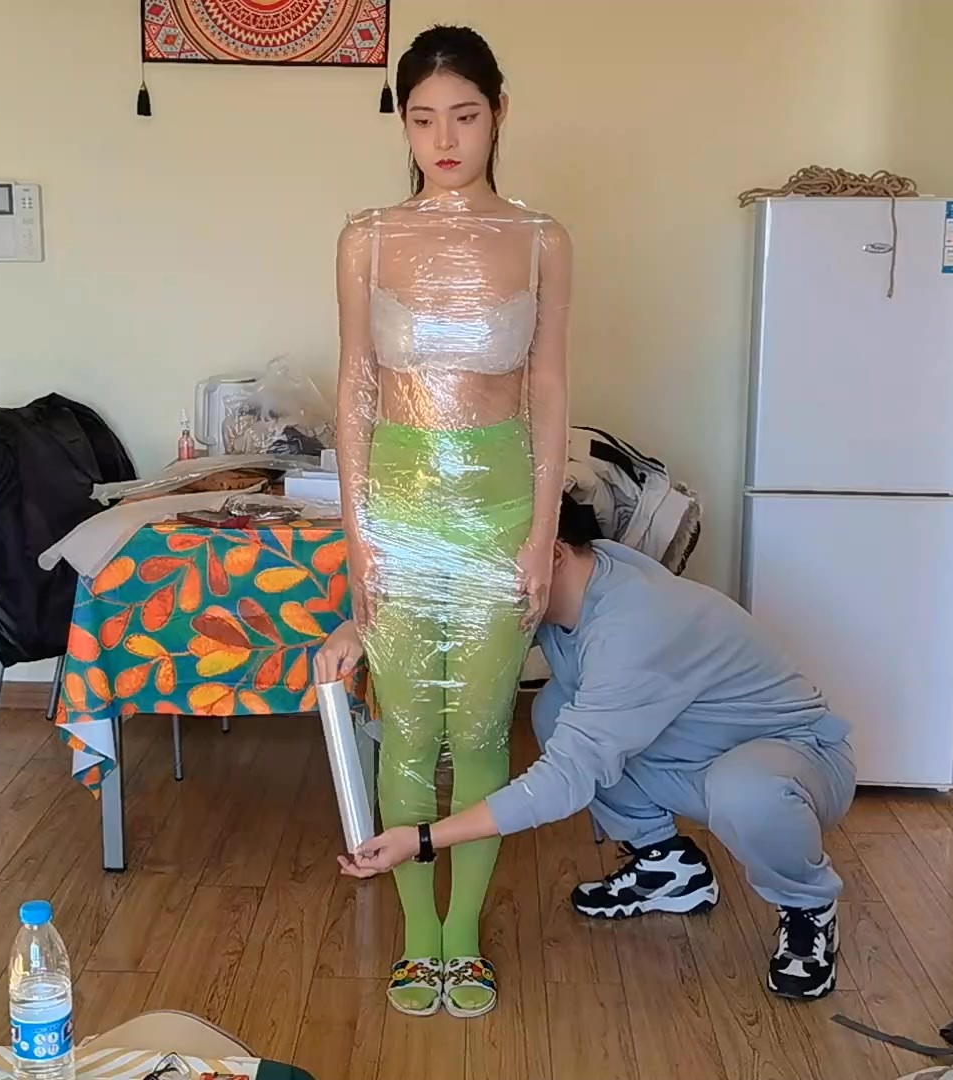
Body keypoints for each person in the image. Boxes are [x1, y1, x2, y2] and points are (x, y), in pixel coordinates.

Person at [317, 496, 859, 1001]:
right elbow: (448, 614)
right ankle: (667, 867)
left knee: (742, 791)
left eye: (490, 573)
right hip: (690, 755)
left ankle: (806, 906)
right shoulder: (572, 578)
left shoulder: (632, 623)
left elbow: (564, 781)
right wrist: (359, 629)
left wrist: (424, 839)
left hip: (793, 759)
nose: (480, 591)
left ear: (552, 553)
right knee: (555, 709)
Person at [332, 25, 572, 1019]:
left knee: (477, 727)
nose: (444, 139)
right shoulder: (369, 236)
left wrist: (540, 533)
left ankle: (462, 935)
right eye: (423, 117)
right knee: (407, 729)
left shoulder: (542, 239)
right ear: (402, 121)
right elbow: (355, 389)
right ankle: (416, 938)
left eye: (465, 115)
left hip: (498, 507)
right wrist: (358, 539)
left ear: (499, 114)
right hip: (395, 505)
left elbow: (549, 390)